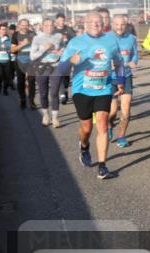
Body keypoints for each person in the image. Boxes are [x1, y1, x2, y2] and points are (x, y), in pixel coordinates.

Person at [55, 11, 124, 180]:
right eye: (91, 22)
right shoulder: (76, 42)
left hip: (104, 88)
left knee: (102, 124)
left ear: (103, 23)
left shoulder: (110, 40)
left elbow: (119, 62)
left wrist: (120, 80)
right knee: (86, 128)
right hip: (82, 90)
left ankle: (102, 166)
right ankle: (84, 146)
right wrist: (71, 60)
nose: (95, 24)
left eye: (98, 21)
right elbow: (60, 69)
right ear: (85, 24)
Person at [108, 15, 139, 147]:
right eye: (117, 24)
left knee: (126, 110)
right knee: (113, 111)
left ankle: (121, 136)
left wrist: (133, 61)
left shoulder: (131, 38)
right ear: (112, 24)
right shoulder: (106, 38)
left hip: (126, 76)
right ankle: (109, 124)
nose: (119, 27)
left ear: (126, 25)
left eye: (122, 25)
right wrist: (108, 63)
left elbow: (135, 54)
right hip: (110, 78)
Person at [30, 18, 65, 127]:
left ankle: (55, 118)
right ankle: (45, 115)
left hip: (55, 67)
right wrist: (43, 49)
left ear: (54, 26)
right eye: (46, 25)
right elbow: (32, 56)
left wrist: (61, 52)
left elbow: (63, 48)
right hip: (42, 68)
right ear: (42, 26)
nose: (49, 28)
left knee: (54, 93)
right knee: (43, 93)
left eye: (51, 25)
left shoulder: (59, 36)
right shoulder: (37, 38)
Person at [11, 18, 37, 109]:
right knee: (20, 81)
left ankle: (31, 101)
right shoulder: (15, 35)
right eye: (23, 25)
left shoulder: (33, 34)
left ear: (29, 25)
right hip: (20, 61)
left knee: (31, 81)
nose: (25, 27)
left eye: (26, 25)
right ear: (19, 25)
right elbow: (13, 50)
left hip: (31, 62)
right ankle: (22, 98)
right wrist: (23, 44)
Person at [53, 13, 75, 104]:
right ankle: (62, 94)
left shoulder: (68, 30)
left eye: (63, 20)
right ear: (56, 21)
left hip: (67, 56)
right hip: (56, 56)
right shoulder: (53, 31)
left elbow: (75, 40)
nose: (61, 22)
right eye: (60, 20)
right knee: (59, 74)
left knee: (66, 76)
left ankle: (65, 90)